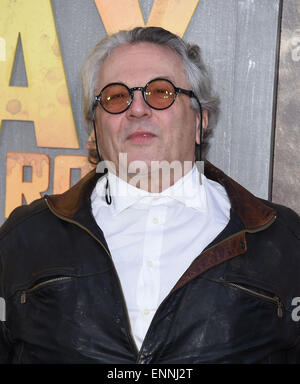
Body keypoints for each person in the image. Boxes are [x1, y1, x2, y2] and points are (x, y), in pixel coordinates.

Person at [0, 27, 299, 364]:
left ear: (200, 120)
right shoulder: (24, 238)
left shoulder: (283, 242)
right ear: (94, 128)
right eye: (116, 97)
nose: (137, 109)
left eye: (161, 92)